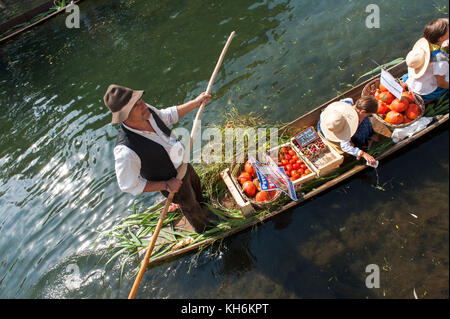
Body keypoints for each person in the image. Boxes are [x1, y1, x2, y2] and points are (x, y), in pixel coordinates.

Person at [103, 84, 217, 233]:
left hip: (184, 163)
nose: (143, 104)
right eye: (136, 105)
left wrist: (196, 102)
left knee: (197, 187)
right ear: (125, 115)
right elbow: (128, 185)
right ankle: (207, 230)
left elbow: (167, 116)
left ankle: (205, 206)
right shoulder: (125, 151)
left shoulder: (146, 111)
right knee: (190, 207)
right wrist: (166, 184)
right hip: (173, 181)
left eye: (140, 99)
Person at [317, 96, 379, 166]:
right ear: (363, 111)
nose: (368, 116)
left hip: (326, 122)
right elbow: (345, 147)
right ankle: (365, 145)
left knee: (365, 121)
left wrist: (360, 118)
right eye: (368, 114)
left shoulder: (348, 102)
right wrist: (363, 154)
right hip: (332, 129)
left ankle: (370, 135)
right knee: (360, 133)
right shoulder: (345, 129)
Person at [402, 18, 449, 102]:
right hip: (426, 91)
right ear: (441, 38)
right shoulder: (440, 59)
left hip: (412, 83)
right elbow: (441, 83)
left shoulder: (424, 46)